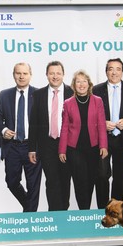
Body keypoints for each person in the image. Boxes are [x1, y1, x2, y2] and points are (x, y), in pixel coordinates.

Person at [92, 58, 123, 207]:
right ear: (106, 71)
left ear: (122, 71)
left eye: (118, 69)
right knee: (101, 176)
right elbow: (90, 116)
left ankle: (116, 211)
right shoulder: (96, 90)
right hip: (103, 141)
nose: (114, 72)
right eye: (110, 69)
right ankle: (102, 209)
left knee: (119, 178)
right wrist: (101, 124)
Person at [0, 62, 40, 212]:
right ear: (14, 75)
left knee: (33, 185)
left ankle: (30, 217)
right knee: (11, 182)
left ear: (30, 75)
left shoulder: (38, 94)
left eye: (25, 73)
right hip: (12, 146)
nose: (21, 76)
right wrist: (4, 129)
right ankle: (28, 206)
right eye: (18, 73)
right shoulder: (4, 94)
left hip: (32, 146)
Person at [59, 70, 108, 210]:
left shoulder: (97, 101)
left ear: (89, 84)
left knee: (91, 180)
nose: (81, 84)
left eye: (84, 81)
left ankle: (89, 207)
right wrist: (62, 150)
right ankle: (83, 211)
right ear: (74, 85)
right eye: (78, 81)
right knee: (79, 181)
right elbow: (65, 128)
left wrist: (103, 145)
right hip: (74, 149)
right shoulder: (68, 103)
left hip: (93, 147)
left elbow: (101, 125)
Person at [28, 61, 73, 211]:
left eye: (58, 73)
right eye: (51, 73)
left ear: (63, 74)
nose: (55, 76)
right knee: (51, 180)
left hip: (67, 144)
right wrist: (32, 148)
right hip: (46, 145)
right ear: (47, 75)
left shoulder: (71, 93)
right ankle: (54, 213)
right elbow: (33, 123)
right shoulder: (38, 95)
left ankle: (63, 210)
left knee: (65, 179)